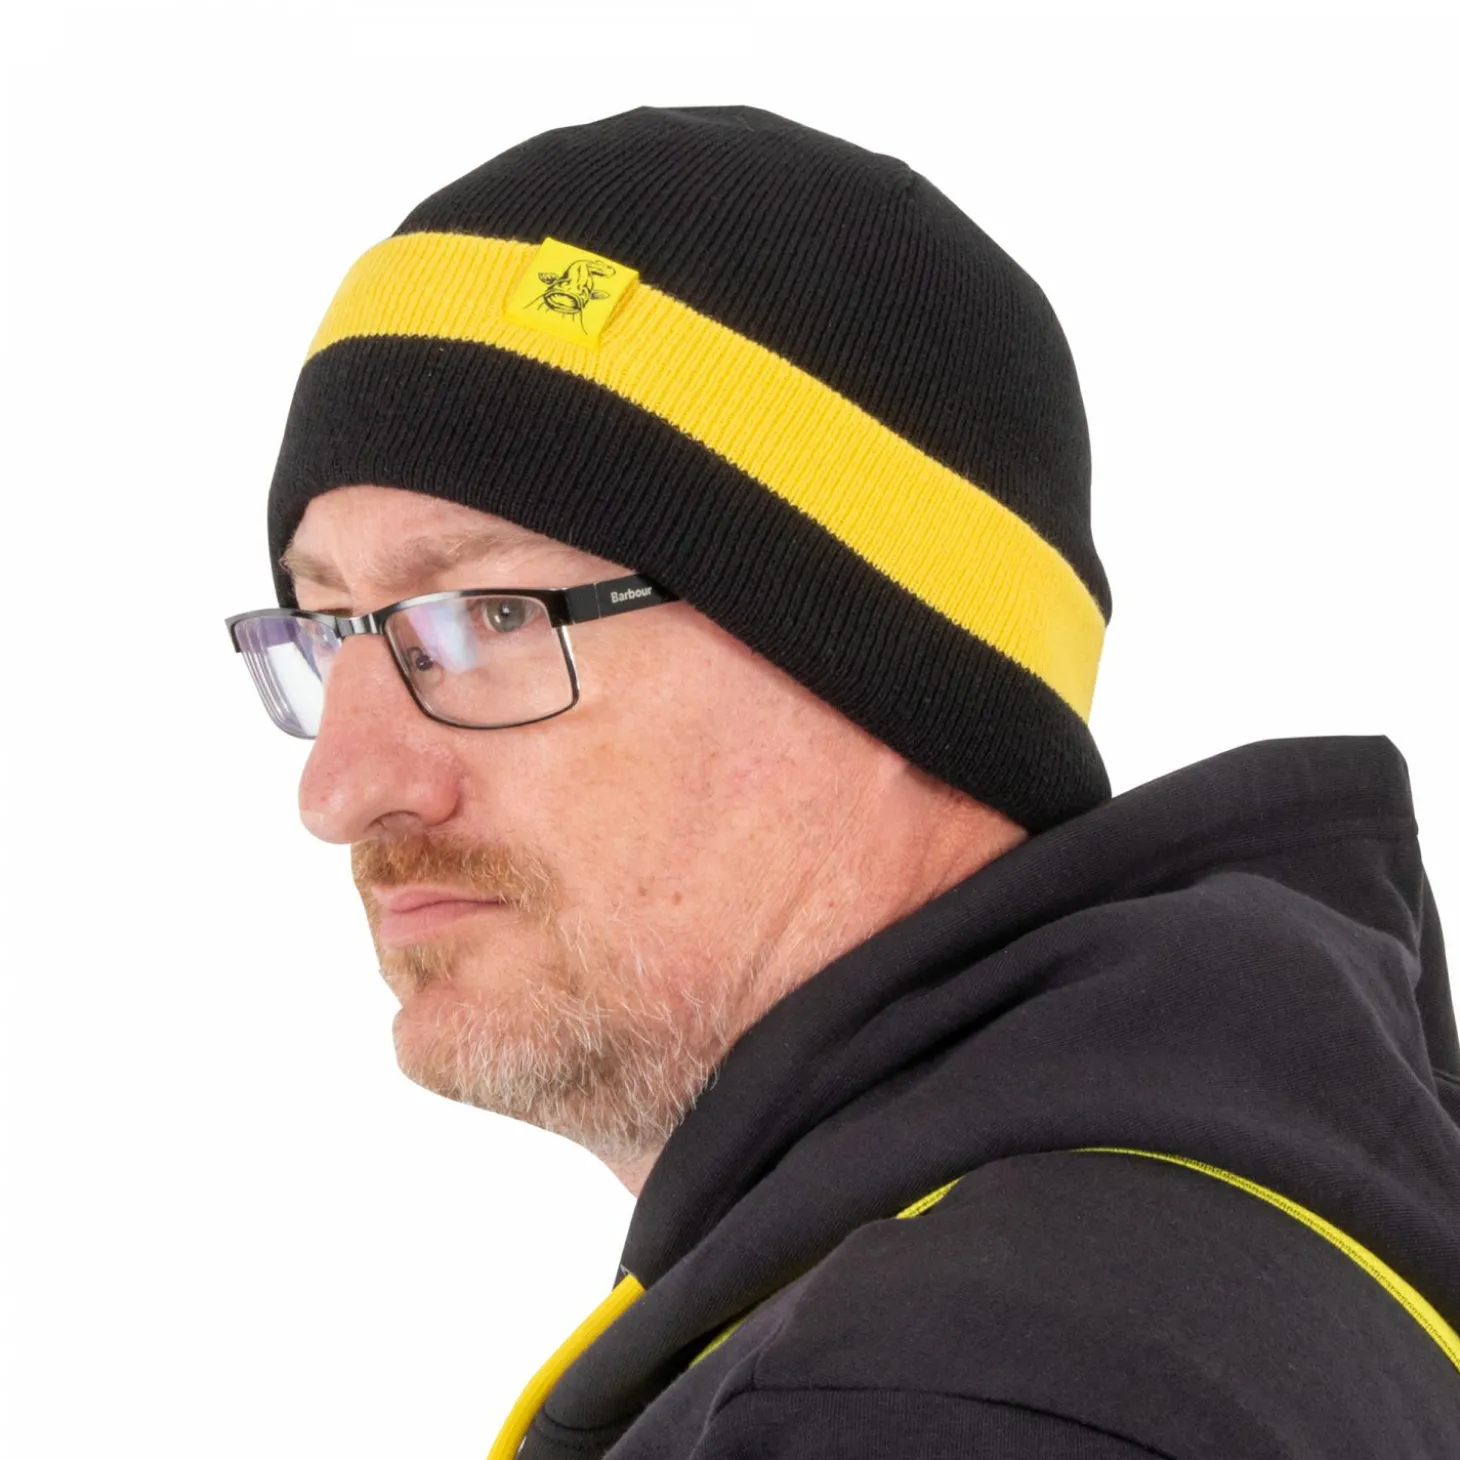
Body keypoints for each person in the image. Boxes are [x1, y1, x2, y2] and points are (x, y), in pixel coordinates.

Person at [225, 105, 1460, 1458]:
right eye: (326, 629)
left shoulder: (941, 1387)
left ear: (881, 662)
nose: (340, 789)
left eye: (488, 617)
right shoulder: (1223, 1265)